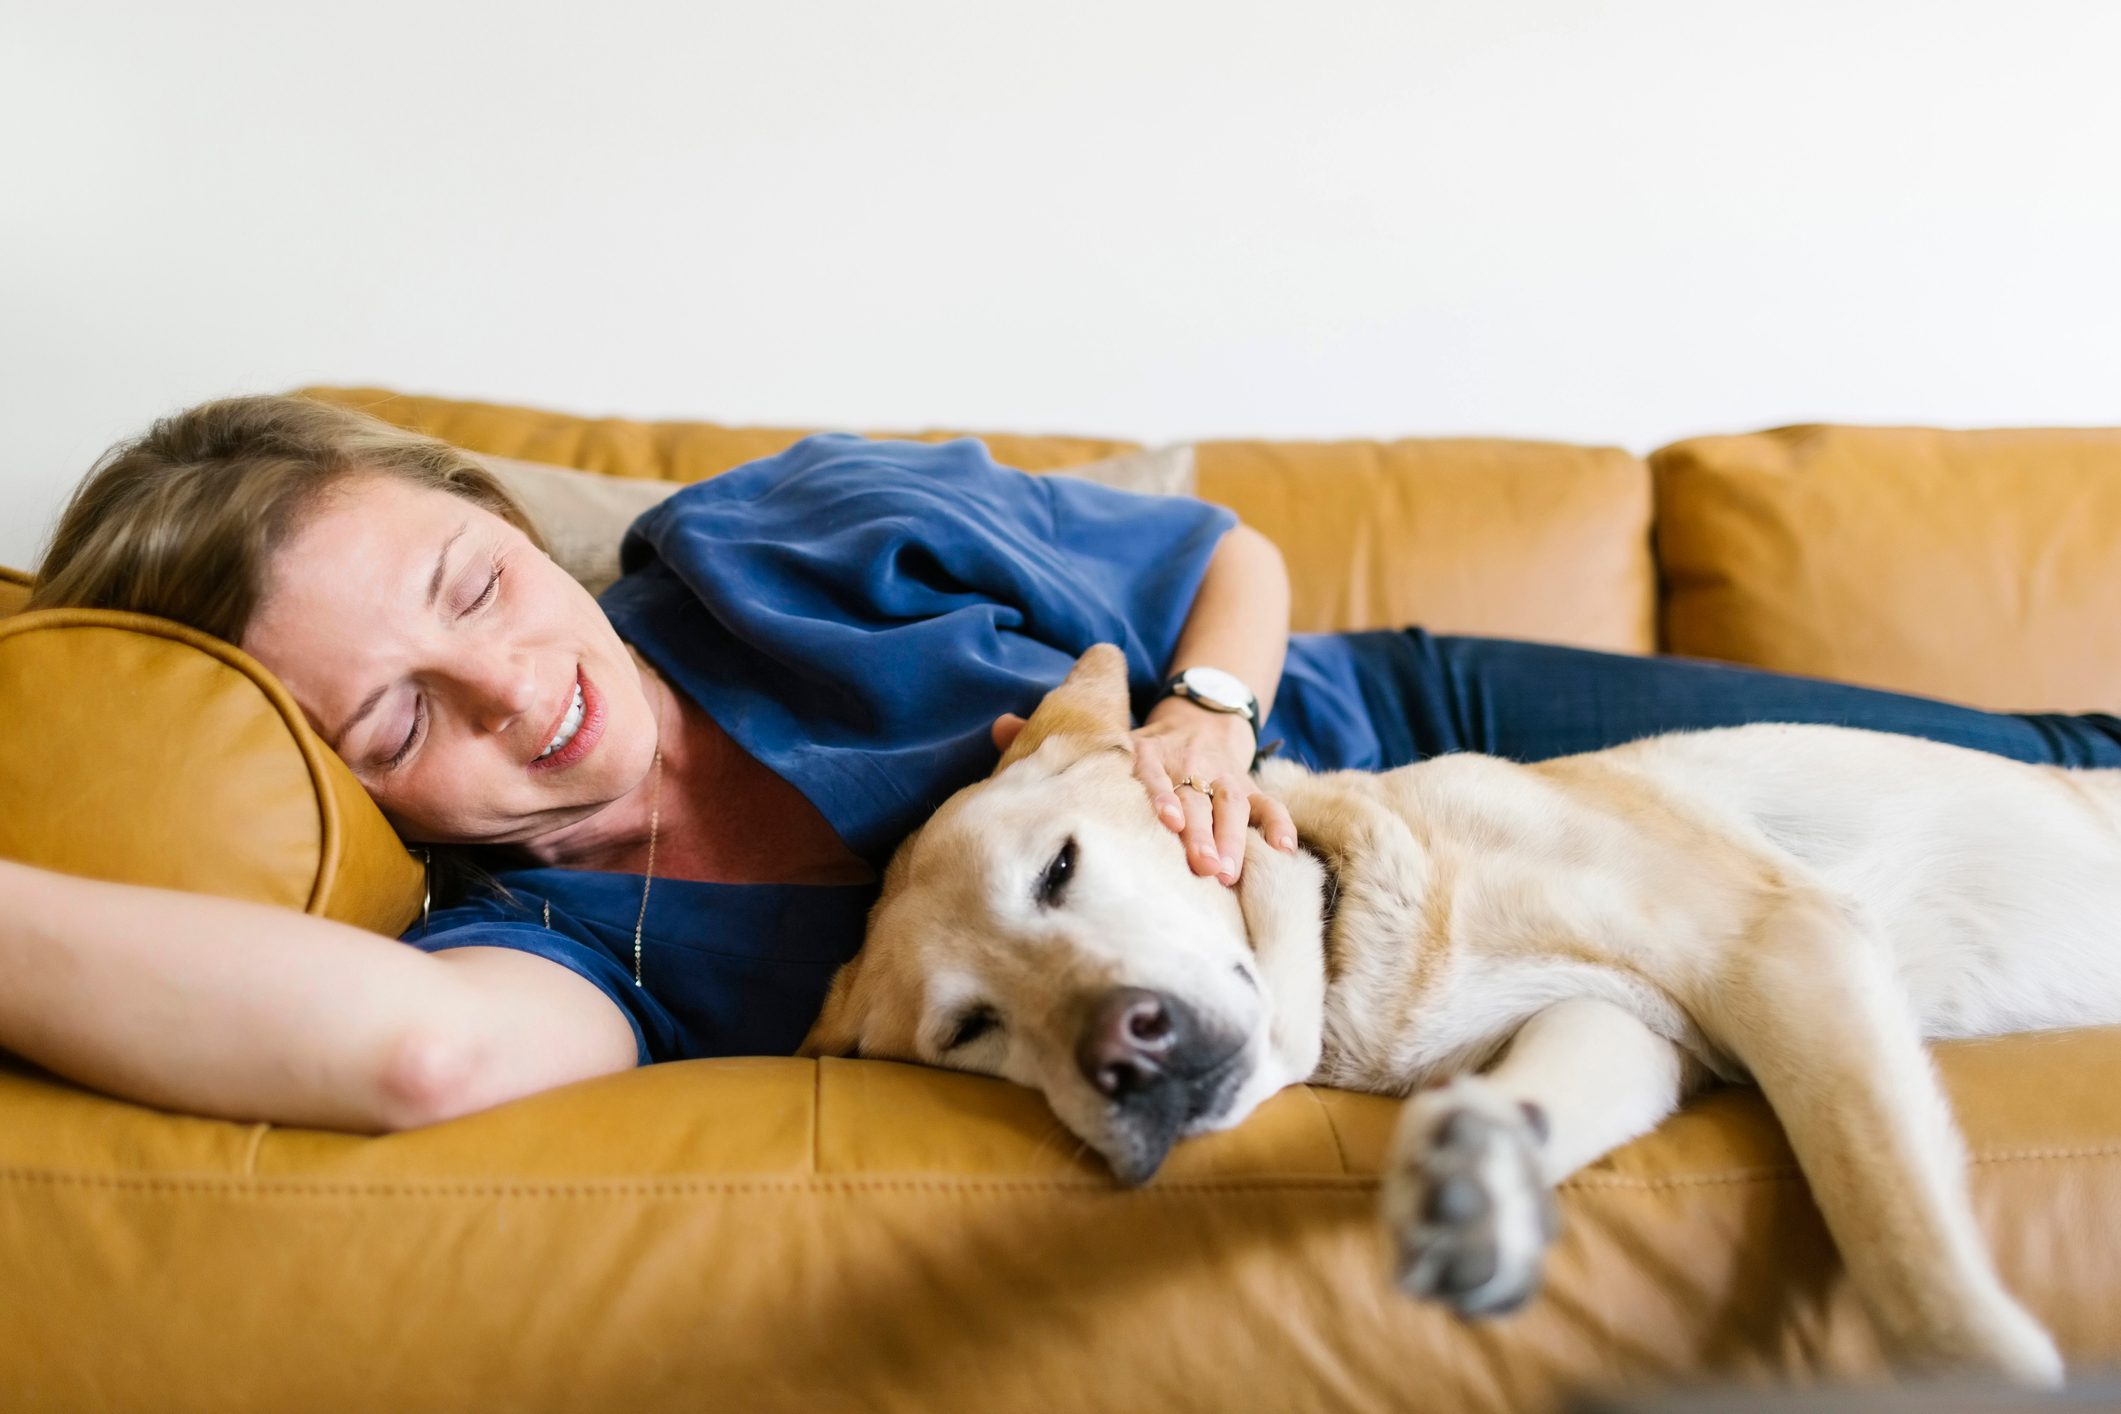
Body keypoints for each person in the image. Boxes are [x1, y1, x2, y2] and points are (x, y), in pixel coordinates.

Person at [9, 395, 2121, 1137]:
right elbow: (418, 1062)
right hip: (1414, 973)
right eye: (393, 720)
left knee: (2048, 767)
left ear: (496, 513)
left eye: (471, 584)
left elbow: (1220, 555)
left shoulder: (786, 535)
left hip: (1410, 728)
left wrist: (1207, 711)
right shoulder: (565, 934)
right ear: (337, 777)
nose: (502, 693)